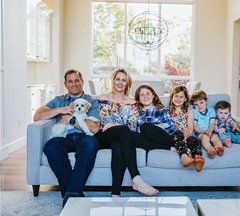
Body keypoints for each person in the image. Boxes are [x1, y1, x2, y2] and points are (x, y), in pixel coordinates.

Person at [33, 69, 101, 207]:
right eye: (70, 81)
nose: (74, 84)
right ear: (65, 84)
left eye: (77, 80)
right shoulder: (58, 101)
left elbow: (94, 128)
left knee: (91, 144)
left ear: (82, 82)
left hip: (84, 136)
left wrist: (70, 119)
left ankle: (70, 195)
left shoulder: (91, 101)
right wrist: (60, 110)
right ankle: (74, 193)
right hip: (64, 135)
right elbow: (37, 116)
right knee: (51, 146)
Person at [94, 68, 158, 197]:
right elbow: (105, 123)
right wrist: (118, 126)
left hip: (122, 137)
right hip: (104, 136)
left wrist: (116, 124)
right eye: (118, 79)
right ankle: (136, 178)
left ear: (127, 83)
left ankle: (115, 194)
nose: (120, 82)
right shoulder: (103, 98)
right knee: (123, 130)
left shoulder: (132, 102)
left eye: (124, 80)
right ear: (113, 80)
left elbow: (132, 125)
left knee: (119, 144)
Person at [134, 84, 204, 172]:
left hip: (166, 137)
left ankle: (190, 156)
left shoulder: (162, 110)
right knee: (134, 136)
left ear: (153, 95)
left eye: (147, 93)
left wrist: (159, 127)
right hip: (148, 139)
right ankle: (175, 148)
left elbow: (171, 128)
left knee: (146, 127)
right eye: (142, 95)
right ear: (138, 98)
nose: (145, 96)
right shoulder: (135, 112)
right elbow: (135, 129)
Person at [169, 85, 205, 172]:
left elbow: (191, 127)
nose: (178, 99)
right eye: (176, 96)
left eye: (181, 97)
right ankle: (184, 156)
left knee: (194, 139)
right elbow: (169, 128)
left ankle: (198, 157)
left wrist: (186, 136)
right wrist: (182, 135)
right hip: (175, 136)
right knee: (177, 133)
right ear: (172, 97)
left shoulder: (189, 111)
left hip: (187, 135)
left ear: (185, 99)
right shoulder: (168, 110)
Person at [190, 90, 224, 159]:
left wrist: (210, 131)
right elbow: (195, 126)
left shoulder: (211, 111)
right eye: (196, 104)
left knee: (215, 137)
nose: (199, 106)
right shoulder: (195, 112)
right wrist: (203, 132)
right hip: (199, 133)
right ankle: (210, 150)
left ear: (206, 101)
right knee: (205, 138)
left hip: (210, 131)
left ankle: (220, 148)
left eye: (201, 102)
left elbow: (212, 123)